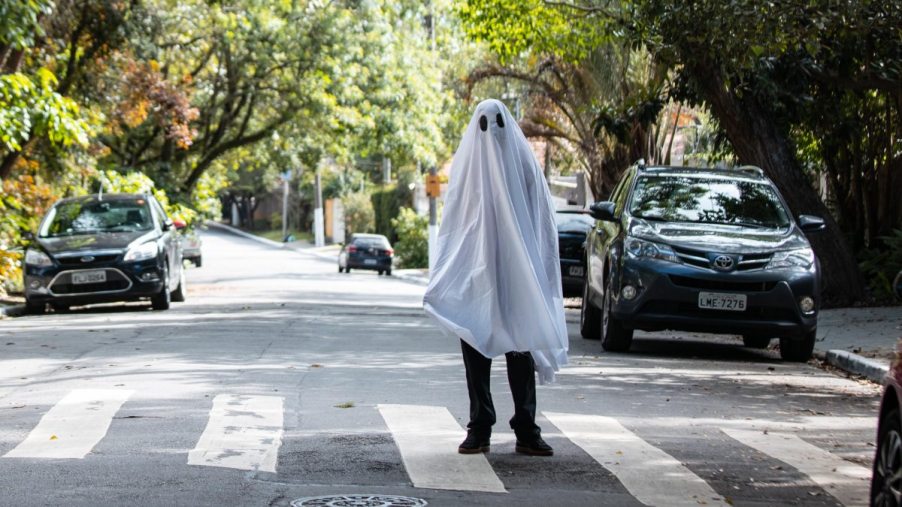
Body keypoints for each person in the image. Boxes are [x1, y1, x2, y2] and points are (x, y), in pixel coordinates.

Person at [423, 99, 569, 456]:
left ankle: (526, 427)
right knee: (475, 347)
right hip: (478, 276)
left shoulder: (526, 169)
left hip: (518, 278)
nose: (491, 131)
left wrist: (538, 274)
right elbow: (454, 226)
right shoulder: (468, 172)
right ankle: (480, 425)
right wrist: (449, 273)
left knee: (522, 348)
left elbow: (542, 224)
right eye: (484, 124)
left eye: (497, 123)